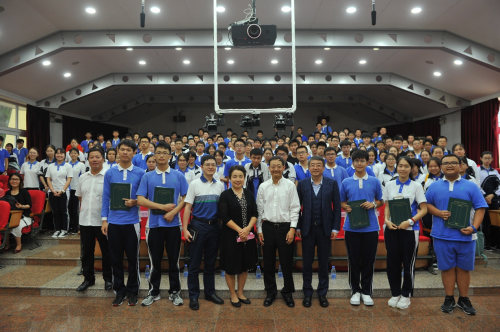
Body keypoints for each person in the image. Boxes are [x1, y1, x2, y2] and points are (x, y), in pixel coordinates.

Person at [425, 154, 487, 315]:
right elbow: (426, 205)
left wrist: (474, 227)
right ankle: (449, 297)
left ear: (461, 166)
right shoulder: (434, 186)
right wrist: (438, 212)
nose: (450, 165)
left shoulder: (471, 186)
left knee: (464, 269)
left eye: (454, 162)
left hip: (465, 235)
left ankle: (464, 299)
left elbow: (481, 207)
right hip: (441, 235)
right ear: (441, 167)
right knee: (446, 268)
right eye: (446, 163)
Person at [136, 141, 188, 307]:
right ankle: (154, 292)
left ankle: (174, 293)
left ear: (170, 156)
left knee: (174, 261)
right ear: (154, 155)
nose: (161, 155)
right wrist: (162, 207)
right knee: (155, 263)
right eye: (158, 152)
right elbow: (140, 199)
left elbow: (186, 198)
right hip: (154, 225)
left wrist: (173, 212)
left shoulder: (178, 175)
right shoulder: (147, 176)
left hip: (173, 225)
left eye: (165, 153)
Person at [101, 139, 145, 307]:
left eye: (129, 150)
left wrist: (136, 202)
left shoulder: (141, 173)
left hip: (132, 222)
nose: (125, 152)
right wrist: (104, 219)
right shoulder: (110, 173)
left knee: (133, 259)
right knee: (115, 258)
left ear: (134, 153)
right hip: (113, 222)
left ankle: (133, 291)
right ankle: (119, 291)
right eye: (122, 149)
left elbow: (145, 198)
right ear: (117, 152)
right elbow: (106, 198)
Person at [340, 150, 383, 307]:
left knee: (368, 259)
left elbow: (381, 201)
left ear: (367, 162)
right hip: (351, 227)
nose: (359, 163)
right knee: (353, 259)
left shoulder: (374, 181)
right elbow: (342, 201)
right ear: (353, 163)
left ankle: (366, 291)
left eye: (362, 161)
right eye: (356, 161)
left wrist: (373, 204)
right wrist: (346, 207)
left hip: (371, 227)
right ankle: (355, 291)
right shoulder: (346, 182)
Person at [383, 157, 427, 309]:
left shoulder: (416, 186)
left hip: (409, 230)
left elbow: (424, 209)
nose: (402, 169)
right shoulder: (389, 184)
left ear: (412, 168)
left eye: (406, 166)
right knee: (392, 262)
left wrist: (410, 221)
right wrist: (386, 220)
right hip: (392, 229)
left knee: (408, 263)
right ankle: (395, 293)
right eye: (400, 166)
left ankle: (406, 294)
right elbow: (387, 205)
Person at [296, 156, 341, 308]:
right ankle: (307, 293)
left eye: (319, 165)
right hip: (307, 230)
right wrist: (297, 227)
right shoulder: (302, 184)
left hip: (325, 229)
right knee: (307, 263)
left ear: (323, 168)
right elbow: (297, 208)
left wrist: (335, 228)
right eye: (313, 165)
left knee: (323, 263)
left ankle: (322, 293)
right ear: (309, 168)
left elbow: (337, 208)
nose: (315, 167)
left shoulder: (332, 183)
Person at [257, 156, 301, 308]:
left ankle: (287, 293)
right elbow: (259, 210)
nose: (276, 169)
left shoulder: (290, 185)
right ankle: (270, 292)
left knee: (286, 262)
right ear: (269, 168)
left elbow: (295, 208)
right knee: (268, 262)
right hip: (267, 228)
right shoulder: (263, 186)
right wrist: (259, 230)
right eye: (273, 166)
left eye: (279, 166)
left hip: (285, 228)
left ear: (283, 168)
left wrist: (292, 229)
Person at [183, 155, 225, 310]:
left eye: (213, 165)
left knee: (210, 263)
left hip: (214, 227)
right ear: (201, 167)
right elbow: (187, 207)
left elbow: (222, 209)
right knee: (194, 264)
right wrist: (185, 228)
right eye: (207, 164)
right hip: (198, 226)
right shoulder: (194, 184)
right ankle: (193, 296)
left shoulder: (220, 185)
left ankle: (210, 292)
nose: (210, 167)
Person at [218, 165, 258, 307]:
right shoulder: (225, 195)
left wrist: (247, 229)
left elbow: (255, 213)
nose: (237, 179)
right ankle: (233, 294)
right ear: (229, 178)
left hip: (248, 236)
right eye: (234, 176)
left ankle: (240, 292)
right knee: (231, 266)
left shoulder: (248, 193)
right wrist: (240, 230)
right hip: (230, 236)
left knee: (244, 265)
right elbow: (224, 216)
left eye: (240, 176)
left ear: (244, 177)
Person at [75, 147, 112, 292]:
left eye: (97, 157)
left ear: (103, 159)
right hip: (85, 220)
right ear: (88, 159)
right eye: (92, 157)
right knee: (87, 252)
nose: (94, 159)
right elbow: (80, 196)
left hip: (103, 221)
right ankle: (88, 279)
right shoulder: (83, 177)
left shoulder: (108, 176)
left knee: (106, 251)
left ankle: (108, 279)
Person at [46, 148, 73, 238]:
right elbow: (48, 179)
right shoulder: (51, 166)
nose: (59, 155)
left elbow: (69, 179)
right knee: (55, 212)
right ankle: (57, 229)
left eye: (61, 153)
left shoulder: (68, 166)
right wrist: (52, 190)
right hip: (52, 192)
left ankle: (64, 230)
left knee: (64, 211)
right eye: (57, 153)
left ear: (64, 155)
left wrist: (62, 191)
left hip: (64, 191)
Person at [2, 173, 32, 253]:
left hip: (24, 216)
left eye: (16, 179)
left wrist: (21, 206)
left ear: (20, 181)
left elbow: (29, 205)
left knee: (16, 226)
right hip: (11, 216)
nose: (14, 181)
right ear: (9, 181)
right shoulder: (8, 193)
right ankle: (7, 245)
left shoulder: (24, 192)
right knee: (6, 224)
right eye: (12, 179)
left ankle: (19, 245)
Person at [478, 151, 500, 251]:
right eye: (485, 158)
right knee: (485, 222)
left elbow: (499, 186)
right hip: (482, 200)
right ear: (481, 158)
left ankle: (495, 244)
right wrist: (486, 196)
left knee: (494, 222)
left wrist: (492, 195)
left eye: (489, 158)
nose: (487, 160)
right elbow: (477, 185)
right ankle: (486, 244)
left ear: (492, 159)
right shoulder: (477, 171)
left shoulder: (495, 172)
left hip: (494, 200)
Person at [67, 148, 86, 234]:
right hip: (67, 189)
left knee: (75, 209)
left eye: (75, 153)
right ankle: (70, 226)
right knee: (69, 209)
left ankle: (76, 227)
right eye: (72, 153)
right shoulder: (67, 165)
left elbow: (83, 177)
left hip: (76, 189)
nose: (73, 155)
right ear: (69, 155)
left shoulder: (81, 165)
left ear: (78, 155)